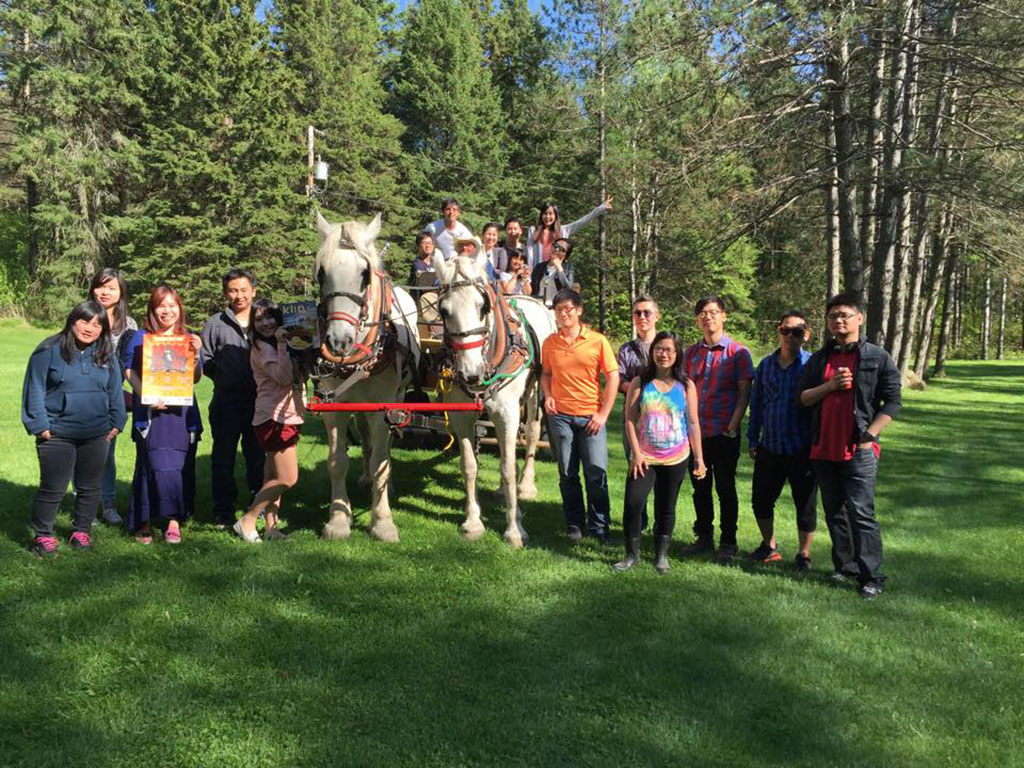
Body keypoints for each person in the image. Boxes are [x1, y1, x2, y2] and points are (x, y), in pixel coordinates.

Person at [798, 292, 901, 599]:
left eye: (844, 315)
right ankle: (846, 567)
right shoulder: (819, 359)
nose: (838, 321)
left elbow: (893, 401)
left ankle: (872, 577)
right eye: (832, 316)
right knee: (835, 513)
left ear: (859, 318)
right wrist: (830, 386)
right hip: (823, 449)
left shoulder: (876, 357)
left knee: (861, 513)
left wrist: (869, 436)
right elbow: (803, 398)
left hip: (858, 450)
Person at [21, 301, 127, 556]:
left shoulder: (106, 354)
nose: (90, 328)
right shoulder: (48, 349)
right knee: (53, 487)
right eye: (85, 321)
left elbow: (115, 390)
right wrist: (40, 425)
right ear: (72, 321)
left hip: (97, 433)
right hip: (57, 433)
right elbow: (34, 388)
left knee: (90, 487)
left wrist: (117, 422)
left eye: (97, 324)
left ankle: (81, 532)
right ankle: (43, 536)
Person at [614, 331, 705, 573]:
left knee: (666, 506)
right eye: (659, 349)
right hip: (644, 457)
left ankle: (661, 556)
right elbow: (629, 419)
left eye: (669, 350)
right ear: (653, 351)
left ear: (677, 354)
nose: (663, 354)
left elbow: (693, 422)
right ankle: (631, 555)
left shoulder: (686, 385)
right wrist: (636, 453)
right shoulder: (640, 382)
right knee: (633, 503)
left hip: (676, 457)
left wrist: (699, 458)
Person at [124, 285, 203, 544]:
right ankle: (143, 520)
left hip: (181, 414)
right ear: (152, 309)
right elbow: (128, 370)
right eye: (161, 306)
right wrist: (146, 395)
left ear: (179, 308)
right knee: (148, 464)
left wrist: (196, 354)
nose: (167, 311)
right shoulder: (140, 337)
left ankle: (173, 520)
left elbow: (195, 379)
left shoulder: (188, 338)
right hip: (151, 413)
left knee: (178, 466)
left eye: (172, 305)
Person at [541, 289, 619, 542]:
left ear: (579, 310)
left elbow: (613, 377)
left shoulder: (597, 341)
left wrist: (603, 414)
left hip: (591, 417)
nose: (563, 314)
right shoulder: (550, 343)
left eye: (567, 309)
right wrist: (548, 395)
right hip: (560, 416)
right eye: (558, 310)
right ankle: (574, 524)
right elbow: (546, 374)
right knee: (567, 473)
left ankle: (599, 526)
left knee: (596, 473)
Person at [680, 295, 754, 561]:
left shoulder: (738, 353)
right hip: (696, 433)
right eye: (703, 313)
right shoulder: (690, 353)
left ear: (724, 316)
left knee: (725, 488)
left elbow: (744, 394)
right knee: (700, 487)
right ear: (697, 320)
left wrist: (732, 426)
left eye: (713, 312)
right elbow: (683, 390)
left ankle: (728, 542)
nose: (708, 317)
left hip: (724, 432)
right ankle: (704, 537)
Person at [747, 310, 817, 570]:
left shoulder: (812, 365)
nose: (790, 336)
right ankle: (769, 546)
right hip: (771, 446)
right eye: (785, 330)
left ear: (806, 335)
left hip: (803, 447)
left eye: (797, 332)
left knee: (805, 505)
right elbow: (757, 404)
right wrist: (753, 438)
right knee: (761, 500)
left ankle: (803, 554)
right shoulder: (766, 365)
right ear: (778, 331)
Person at [234, 299, 306, 543]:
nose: (265, 323)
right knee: (288, 478)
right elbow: (283, 377)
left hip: (285, 416)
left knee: (272, 477)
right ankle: (248, 520)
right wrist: (283, 343)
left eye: (270, 317)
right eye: (259, 319)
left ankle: (271, 528)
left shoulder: (278, 344)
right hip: (274, 419)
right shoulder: (262, 347)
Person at [201, 268, 264, 528]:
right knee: (223, 458)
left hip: (259, 402)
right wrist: (225, 376)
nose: (239, 296)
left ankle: (258, 505)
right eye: (233, 291)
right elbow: (205, 360)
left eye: (243, 290)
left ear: (253, 291)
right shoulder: (215, 323)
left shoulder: (265, 321)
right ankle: (223, 510)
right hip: (226, 403)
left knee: (257, 456)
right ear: (225, 293)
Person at [87, 268, 138, 525]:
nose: (105, 292)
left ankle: (108, 504)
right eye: (101, 286)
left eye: (112, 288)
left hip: (111, 397)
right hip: (81, 395)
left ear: (121, 293)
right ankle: (86, 507)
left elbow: (130, 363)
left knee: (107, 452)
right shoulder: (82, 315)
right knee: (82, 453)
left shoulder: (129, 325)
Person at [617, 295, 660, 456]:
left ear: (657, 316)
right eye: (637, 313)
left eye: (647, 313)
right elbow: (619, 380)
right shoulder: (626, 350)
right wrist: (639, 389)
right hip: (635, 416)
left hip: (663, 416)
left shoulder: (668, 346)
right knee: (635, 463)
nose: (642, 317)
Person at [524, 197, 612, 268]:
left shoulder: (563, 230)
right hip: (537, 273)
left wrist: (601, 208)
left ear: (555, 216)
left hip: (555, 272)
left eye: (550, 214)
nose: (547, 217)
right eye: (545, 214)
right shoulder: (533, 230)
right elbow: (530, 252)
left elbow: (583, 221)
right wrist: (530, 273)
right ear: (541, 215)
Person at [530, 237, 577, 307]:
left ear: (566, 255)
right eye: (555, 246)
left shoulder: (568, 268)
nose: (556, 249)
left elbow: (569, 288)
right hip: (539, 305)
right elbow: (533, 289)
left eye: (561, 249)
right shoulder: (539, 267)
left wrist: (559, 268)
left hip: (557, 307)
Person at [423, 197, 473, 261]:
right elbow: (423, 243)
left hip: (454, 264)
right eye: (448, 209)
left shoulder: (463, 231)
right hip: (435, 263)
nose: (451, 212)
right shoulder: (433, 228)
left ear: (458, 212)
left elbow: (473, 247)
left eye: (454, 209)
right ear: (443, 212)